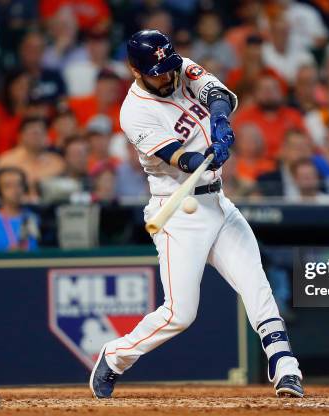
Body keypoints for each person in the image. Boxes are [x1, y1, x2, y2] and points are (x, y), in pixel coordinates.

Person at [89, 30, 303, 399]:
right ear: (135, 70)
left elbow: (217, 94)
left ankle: (285, 365)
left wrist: (220, 122)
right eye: (157, 71)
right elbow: (177, 156)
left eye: (168, 66)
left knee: (256, 283)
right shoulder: (134, 111)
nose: (167, 75)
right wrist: (201, 158)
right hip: (177, 213)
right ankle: (115, 355)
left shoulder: (178, 67)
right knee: (179, 314)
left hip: (218, 202)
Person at [232, 74, 305, 161]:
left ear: (281, 92)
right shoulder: (243, 117)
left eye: (273, 88)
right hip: (253, 166)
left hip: (288, 164)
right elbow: (234, 147)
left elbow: (305, 144)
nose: (269, 93)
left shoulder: (294, 116)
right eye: (264, 89)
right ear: (255, 93)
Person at [0, 117, 65, 199]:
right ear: (21, 136)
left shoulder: (58, 162)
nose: (37, 137)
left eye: (41, 132)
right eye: (33, 133)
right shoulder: (6, 161)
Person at [256, 129, 313, 198]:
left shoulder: (320, 179)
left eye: (305, 147)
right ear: (284, 150)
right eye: (296, 147)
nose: (302, 152)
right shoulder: (267, 181)